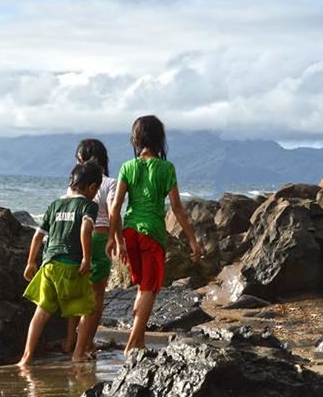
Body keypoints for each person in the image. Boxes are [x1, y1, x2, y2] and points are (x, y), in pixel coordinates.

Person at [107, 115, 201, 354]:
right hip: (152, 234)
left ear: (136, 139)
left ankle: (138, 341)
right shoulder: (166, 168)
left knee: (142, 288)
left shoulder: (127, 167)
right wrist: (192, 240)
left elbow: (116, 206)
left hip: (130, 232)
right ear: (160, 139)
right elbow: (177, 208)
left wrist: (115, 239)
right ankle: (132, 345)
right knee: (149, 288)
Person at [17, 160, 103, 367]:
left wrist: (30, 262)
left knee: (42, 310)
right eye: (96, 189)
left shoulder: (54, 205)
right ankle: (78, 354)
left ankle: (25, 358)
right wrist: (86, 258)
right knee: (89, 310)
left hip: (48, 265)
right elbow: (85, 229)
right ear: (92, 187)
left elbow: (38, 236)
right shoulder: (88, 205)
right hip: (70, 265)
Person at [67, 139, 116, 363]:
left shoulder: (73, 186)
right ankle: (86, 343)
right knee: (96, 297)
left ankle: (70, 340)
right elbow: (113, 212)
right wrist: (116, 239)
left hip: (76, 239)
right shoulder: (109, 183)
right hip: (98, 238)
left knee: (77, 293)